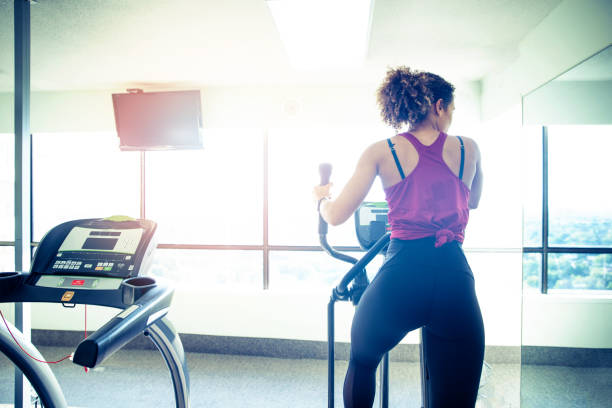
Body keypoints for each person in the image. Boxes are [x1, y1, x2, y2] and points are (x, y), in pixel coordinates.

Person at [313, 66, 485, 408]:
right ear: (438, 107)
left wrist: (321, 197)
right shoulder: (469, 148)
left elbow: (335, 215)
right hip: (454, 277)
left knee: (362, 359)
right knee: (458, 394)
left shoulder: (381, 151)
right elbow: (474, 200)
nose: (451, 117)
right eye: (450, 109)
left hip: (403, 274)